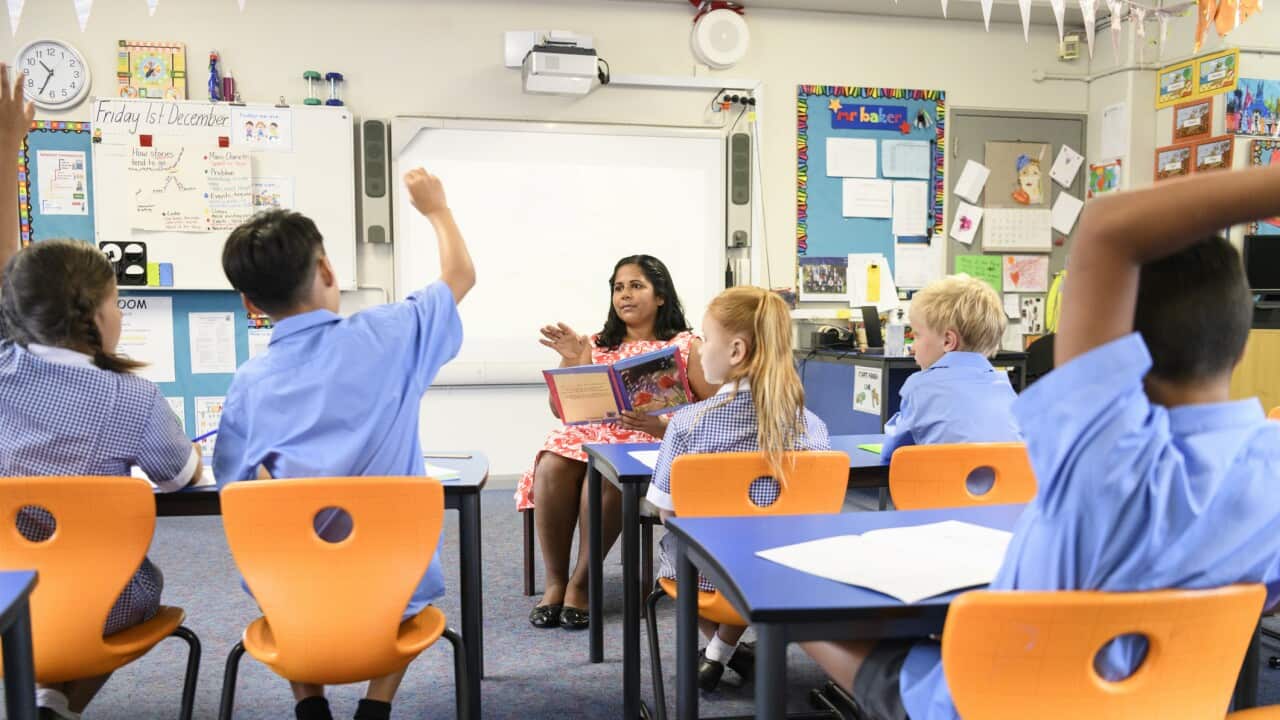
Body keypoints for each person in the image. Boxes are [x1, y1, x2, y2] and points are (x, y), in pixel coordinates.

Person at [804, 160, 1280, 720]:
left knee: (805, 612)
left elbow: (1106, 225)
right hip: (1173, 707)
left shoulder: (1101, 443)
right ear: (1243, 344)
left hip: (990, 705)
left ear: (1114, 350)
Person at [213, 168, 474, 720]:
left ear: (249, 305)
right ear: (327, 269)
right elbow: (459, 274)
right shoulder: (392, 334)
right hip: (393, 586)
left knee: (278, 560)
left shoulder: (248, 385)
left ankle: (310, 706)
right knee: (402, 573)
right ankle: (375, 707)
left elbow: (234, 491)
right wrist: (436, 209)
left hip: (297, 594)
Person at [0, 63, 202, 720]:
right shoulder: (132, 400)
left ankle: (42, 693)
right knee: (141, 589)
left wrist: (7, 151)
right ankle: (60, 699)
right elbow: (180, 478)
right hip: (99, 600)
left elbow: (10, 275)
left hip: (2, 592)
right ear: (98, 313)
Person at [520, 255, 718, 630]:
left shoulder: (686, 345)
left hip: (649, 440)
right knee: (551, 462)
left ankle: (581, 583)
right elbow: (560, 410)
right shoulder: (594, 342)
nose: (625, 295)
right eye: (618, 288)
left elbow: (714, 409)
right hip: (589, 434)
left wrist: (661, 426)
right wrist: (573, 361)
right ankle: (555, 583)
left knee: (606, 469)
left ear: (661, 296)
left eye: (636, 286)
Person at [646, 286, 829, 690]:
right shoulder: (812, 425)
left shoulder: (687, 423)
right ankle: (725, 652)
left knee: (679, 549)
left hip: (708, 579)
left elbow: (668, 513)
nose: (698, 349)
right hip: (788, 571)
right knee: (757, 552)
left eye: (706, 339)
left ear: (736, 351)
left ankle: (717, 652)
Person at [879, 274, 1020, 464]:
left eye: (917, 336)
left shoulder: (920, 386)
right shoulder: (1004, 387)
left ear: (948, 341)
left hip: (942, 492)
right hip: (1010, 492)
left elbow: (890, 454)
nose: (912, 347)